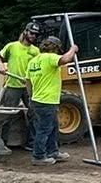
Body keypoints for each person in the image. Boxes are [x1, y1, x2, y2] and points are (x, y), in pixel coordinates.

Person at [25, 33, 77, 164]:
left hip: (38, 100)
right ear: (55, 48)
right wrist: (73, 49)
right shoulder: (50, 58)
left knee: (53, 127)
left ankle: (53, 151)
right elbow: (65, 59)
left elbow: (28, 82)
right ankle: (38, 156)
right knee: (44, 130)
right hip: (46, 101)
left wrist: (31, 97)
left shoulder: (33, 61)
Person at [0, 21, 39, 105]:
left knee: (33, 112)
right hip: (13, 85)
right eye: (32, 33)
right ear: (25, 32)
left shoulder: (36, 51)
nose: (34, 36)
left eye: (36, 34)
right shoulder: (12, 46)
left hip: (29, 86)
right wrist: (1, 66)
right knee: (9, 112)